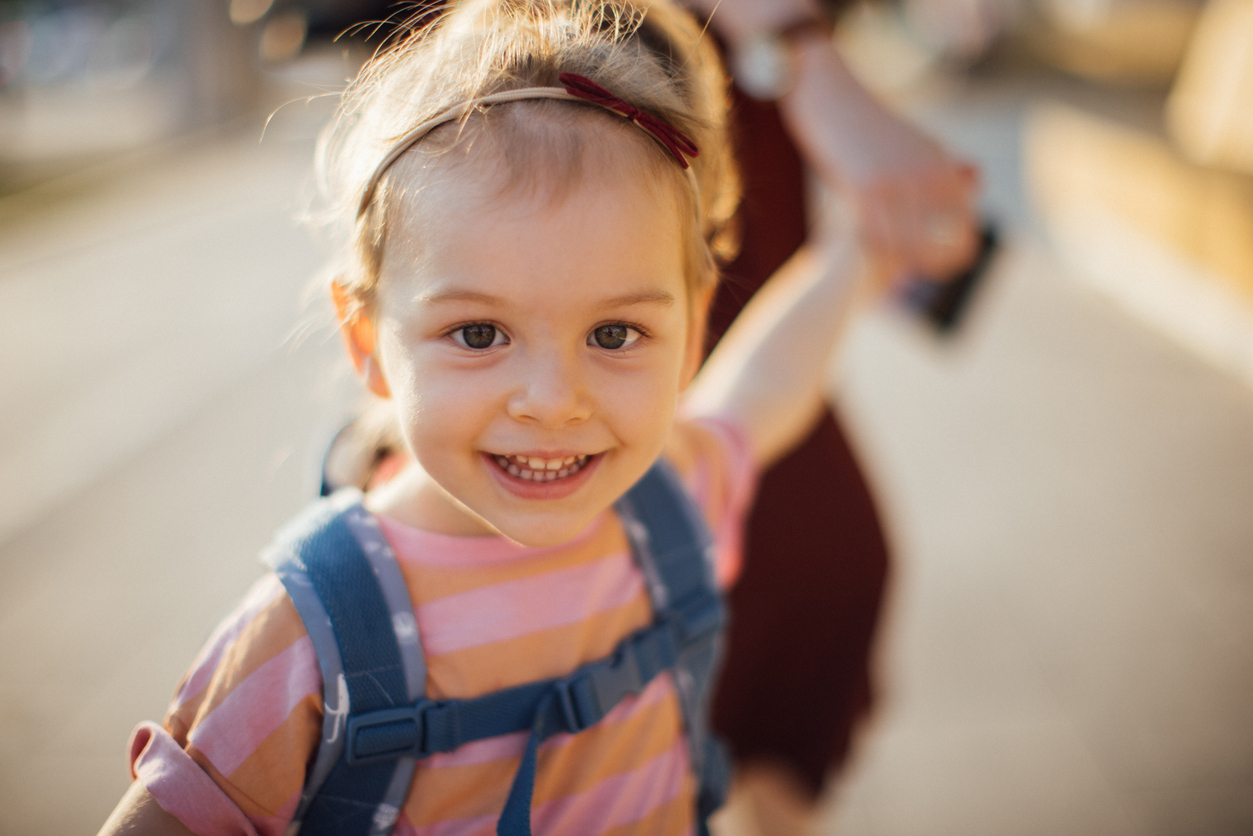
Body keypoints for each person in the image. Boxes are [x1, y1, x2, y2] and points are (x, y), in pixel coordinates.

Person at [96, 1, 904, 834]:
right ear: (366, 339)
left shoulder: (670, 504)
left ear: (693, 331)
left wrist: (869, 249)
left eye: (615, 333)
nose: (554, 401)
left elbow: (769, 381)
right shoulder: (306, 638)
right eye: (479, 334)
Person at [677, 1, 982, 832]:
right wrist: (803, 54)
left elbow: (755, 400)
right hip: (630, 82)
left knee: (808, 554)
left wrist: (862, 248)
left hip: (727, 95)